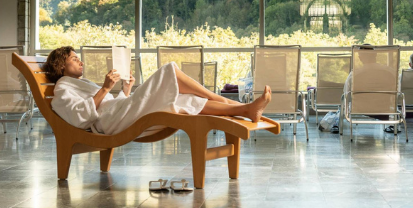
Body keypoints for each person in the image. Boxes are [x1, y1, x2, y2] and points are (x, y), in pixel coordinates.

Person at [43, 46, 272, 135]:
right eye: (74, 59)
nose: (80, 62)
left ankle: (245, 109)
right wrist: (105, 88)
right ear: (60, 66)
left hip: (118, 114)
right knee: (170, 70)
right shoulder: (62, 89)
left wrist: (125, 89)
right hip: (110, 123)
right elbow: (80, 117)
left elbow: (104, 105)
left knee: (183, 100)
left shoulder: (76, 85)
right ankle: (225, 101)